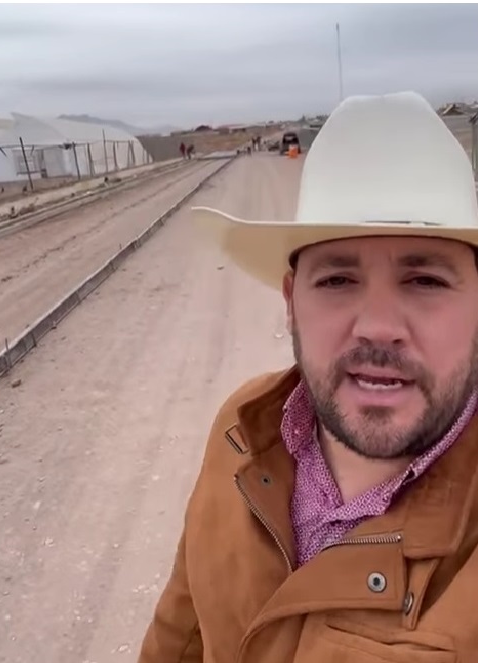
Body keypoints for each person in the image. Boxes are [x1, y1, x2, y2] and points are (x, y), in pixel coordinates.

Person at [137, 92, 478, 662]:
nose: (378, 327)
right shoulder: (241, 429)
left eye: (425, 281)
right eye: (337, 281)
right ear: (292, 302)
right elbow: (180, 630)